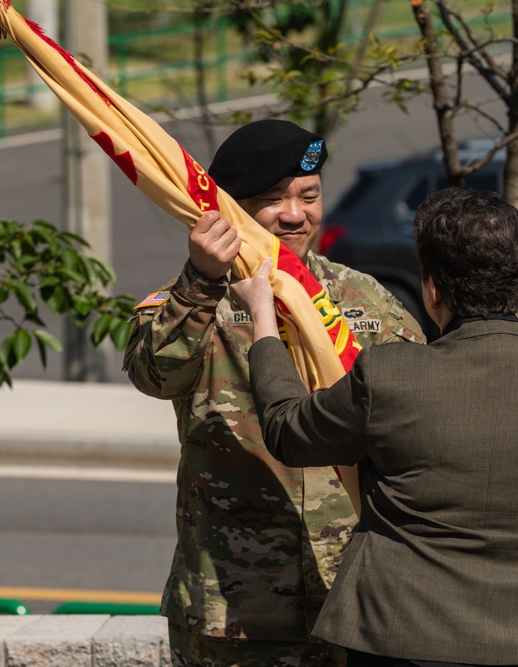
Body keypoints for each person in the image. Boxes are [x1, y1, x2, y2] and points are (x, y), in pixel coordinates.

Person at [231, 187, 518, 667]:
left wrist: (264, 322)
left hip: (402, 637)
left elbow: (287, 432)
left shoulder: (388, 375)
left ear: (433, 288)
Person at [124, 119, 425, 667]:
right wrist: (201, 280)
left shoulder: (364, 299)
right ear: (230, 211)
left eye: (308, 196)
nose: (295, 214)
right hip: (236, 606)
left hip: (354, 603)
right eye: (272, 201)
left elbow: (425, 415)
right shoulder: (191, 302)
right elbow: (155, 374)